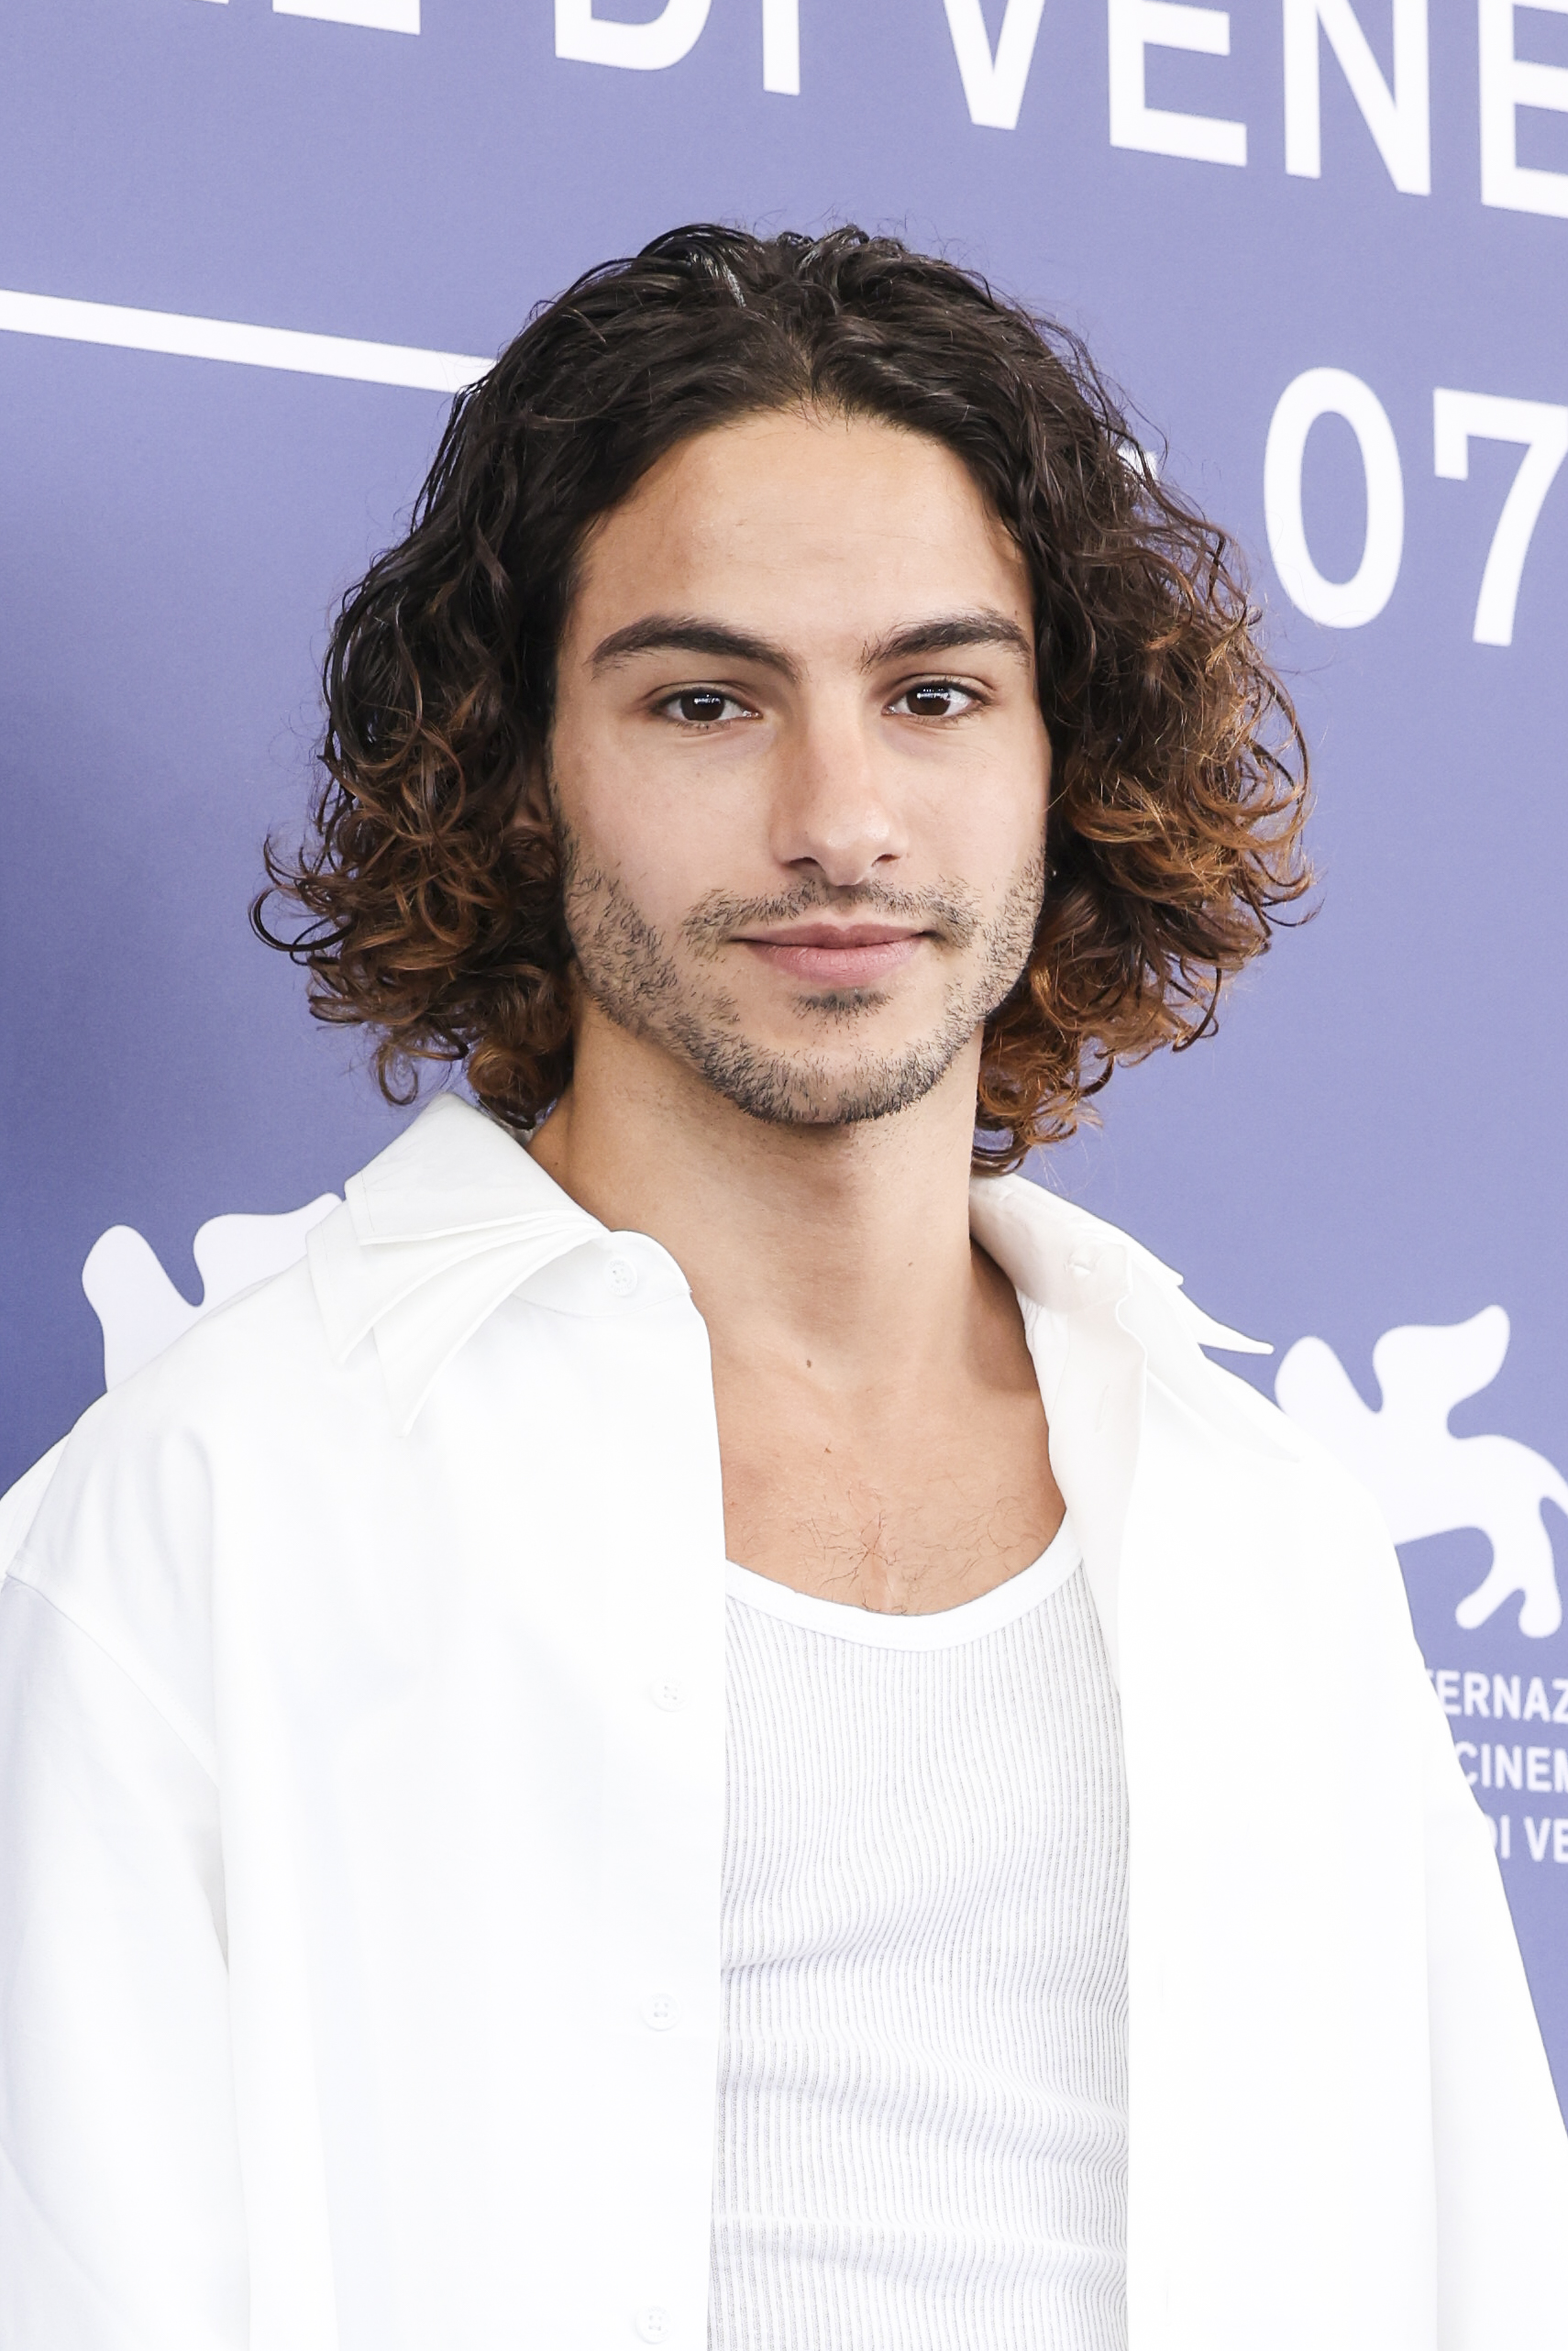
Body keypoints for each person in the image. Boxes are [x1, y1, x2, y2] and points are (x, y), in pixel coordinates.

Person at [0, 225, 1563, 2351]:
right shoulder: (208, 1519)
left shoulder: (1267, 1538)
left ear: (1061, 754)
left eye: (934, 694)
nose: (840, 820)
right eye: (707, 701)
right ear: (522, 766)